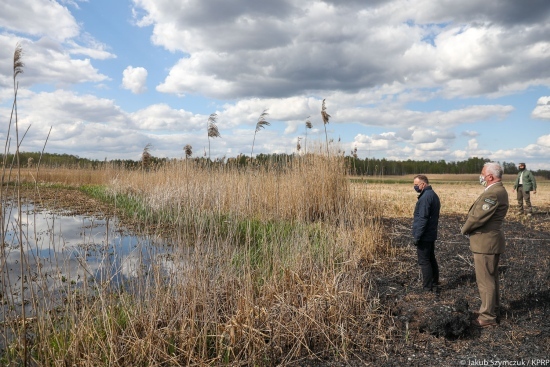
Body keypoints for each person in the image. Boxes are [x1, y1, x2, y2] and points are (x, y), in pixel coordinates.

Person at [461, 162, 509, 328]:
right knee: (491, 278)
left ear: (490, 176)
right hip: (490, 241)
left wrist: (464, 229)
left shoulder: (494, 193)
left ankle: (487, 317)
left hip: (485, 242)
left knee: (485, 281)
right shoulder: (498, 190)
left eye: (482, 174)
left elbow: (477, 217)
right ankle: (492, 309)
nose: (480, 177)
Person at [412, 174, 441, 295]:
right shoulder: (432, 195)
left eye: (416, 185)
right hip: (430, 233)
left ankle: (427, 287)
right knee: (430, 258)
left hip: (425, 234)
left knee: (424, 261)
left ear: (423, 184)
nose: (415, 187)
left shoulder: (425, 198)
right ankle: (434, 282)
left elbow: (423, 218)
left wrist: (417, 236)